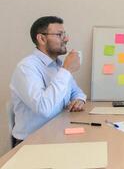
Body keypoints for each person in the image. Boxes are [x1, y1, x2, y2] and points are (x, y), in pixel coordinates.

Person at [10, 16, 86, 147]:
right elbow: (43, 108)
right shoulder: (26, 68)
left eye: (65, 34)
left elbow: (77, 92)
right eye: (59, 34)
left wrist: (79, 100)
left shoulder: (58, 66)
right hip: (31, 144)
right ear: (42, 39)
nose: (66, 39)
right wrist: (66, 70)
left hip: (57, 137)